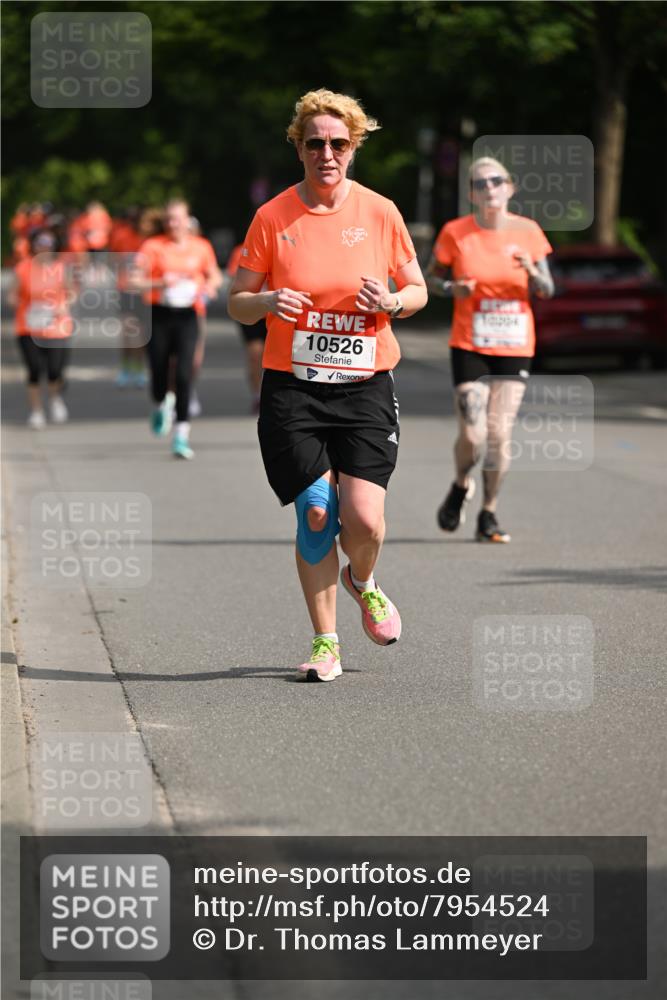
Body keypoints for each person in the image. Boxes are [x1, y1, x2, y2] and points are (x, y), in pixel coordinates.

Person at [228, 89, 427, 682]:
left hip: (365, 383)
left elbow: (417, 290)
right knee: (317, 512)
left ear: (354, 146)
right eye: (314, 143)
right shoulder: (273, 217)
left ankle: (362, 580)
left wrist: (392, 299)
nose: (327, 153)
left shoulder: (381, 212)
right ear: (299, 146)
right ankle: (325, 641)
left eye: (339, 143)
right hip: (293, 384)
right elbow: (236, 303)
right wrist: (265, 299)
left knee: (362, 520)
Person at [426, 156, 554, 543]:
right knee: (473, 432)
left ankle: (488, 512)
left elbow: (547, 289)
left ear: (510, 187)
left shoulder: (528, 231)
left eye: (496, 181)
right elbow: (431, 278)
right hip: (470, 343)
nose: (489, 189)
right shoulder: (455, 232)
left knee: (499, 433)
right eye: (480, 184)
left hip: (515, 344)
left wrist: (532, 273)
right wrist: (453, 290)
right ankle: (462, 483)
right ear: (471, 194)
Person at [135, 199, 222, 459]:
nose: (174, 224)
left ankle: (181, 435)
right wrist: (161, 281)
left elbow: (214, 274)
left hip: (188, 315)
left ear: (187, 220)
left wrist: (210, 286)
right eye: (169, 219)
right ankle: (162, 402)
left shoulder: (201, 246)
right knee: (159, 373)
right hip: (159, 315)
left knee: (185, 373)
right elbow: (134, 280)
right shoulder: (152, 247)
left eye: (178, 218)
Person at [10, 228, 74, 428]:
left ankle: (55, 399)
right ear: (34, 245)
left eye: (48, 243)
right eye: (40, 243)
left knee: (55, 369)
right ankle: (36, 411)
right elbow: (13, 296)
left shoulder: (62, 268)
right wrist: (20, 305)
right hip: (29, 326)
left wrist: (64, 305)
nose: (44, 247)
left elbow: (71, 293)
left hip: (57, 326)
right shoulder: (23, 268)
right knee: (35, 370)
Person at [226, 240, 267, 413]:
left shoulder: (290, 243)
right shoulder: (242, 250)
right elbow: (235, 280)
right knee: (255, 354)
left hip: (281, 309)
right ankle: (257, 395)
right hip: (254, 308)